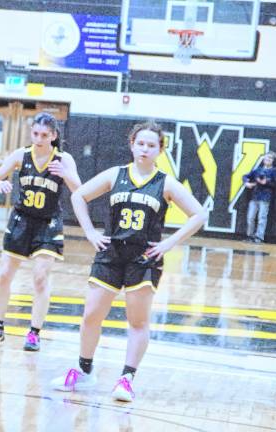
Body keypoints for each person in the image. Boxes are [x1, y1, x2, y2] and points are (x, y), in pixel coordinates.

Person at [51, 121, 207, 402]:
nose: (145, 149)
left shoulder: (165, 182)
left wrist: (170, 242)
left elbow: (198, 215)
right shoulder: (116, 174)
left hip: (143, 258)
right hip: (110, 253)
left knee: (137, 321)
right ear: (132, 144)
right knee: (91, 315)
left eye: (151, 145)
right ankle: (84, 370)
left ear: (160, 150)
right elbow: (79, 195)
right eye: (140, 143)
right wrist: (88, 231)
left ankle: (126, 378)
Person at [0, 112, 81, 352]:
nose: (38, 139)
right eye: (35, 133)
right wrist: (0, 183)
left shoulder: (63, 159)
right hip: (21, 220)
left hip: (48, 223)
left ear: (54, 136)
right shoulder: (21, 155)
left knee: (40, 277)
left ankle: (35, 332)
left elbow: (81, 190)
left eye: (44, 135)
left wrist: (66, 174)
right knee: (4, 275)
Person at [243, 151, 276, 243]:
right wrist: (246, 182)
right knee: (250, 217)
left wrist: (266, 182)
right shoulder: (258, 170)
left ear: (273, 160)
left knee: (262, 218)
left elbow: (275, 184)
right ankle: (250, 235)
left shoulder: (274, 170)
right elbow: (245, 176)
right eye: (266, 158)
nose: (267, 160)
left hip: (265, 197)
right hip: (255, 196)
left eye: (270, 158)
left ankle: (259, 237)